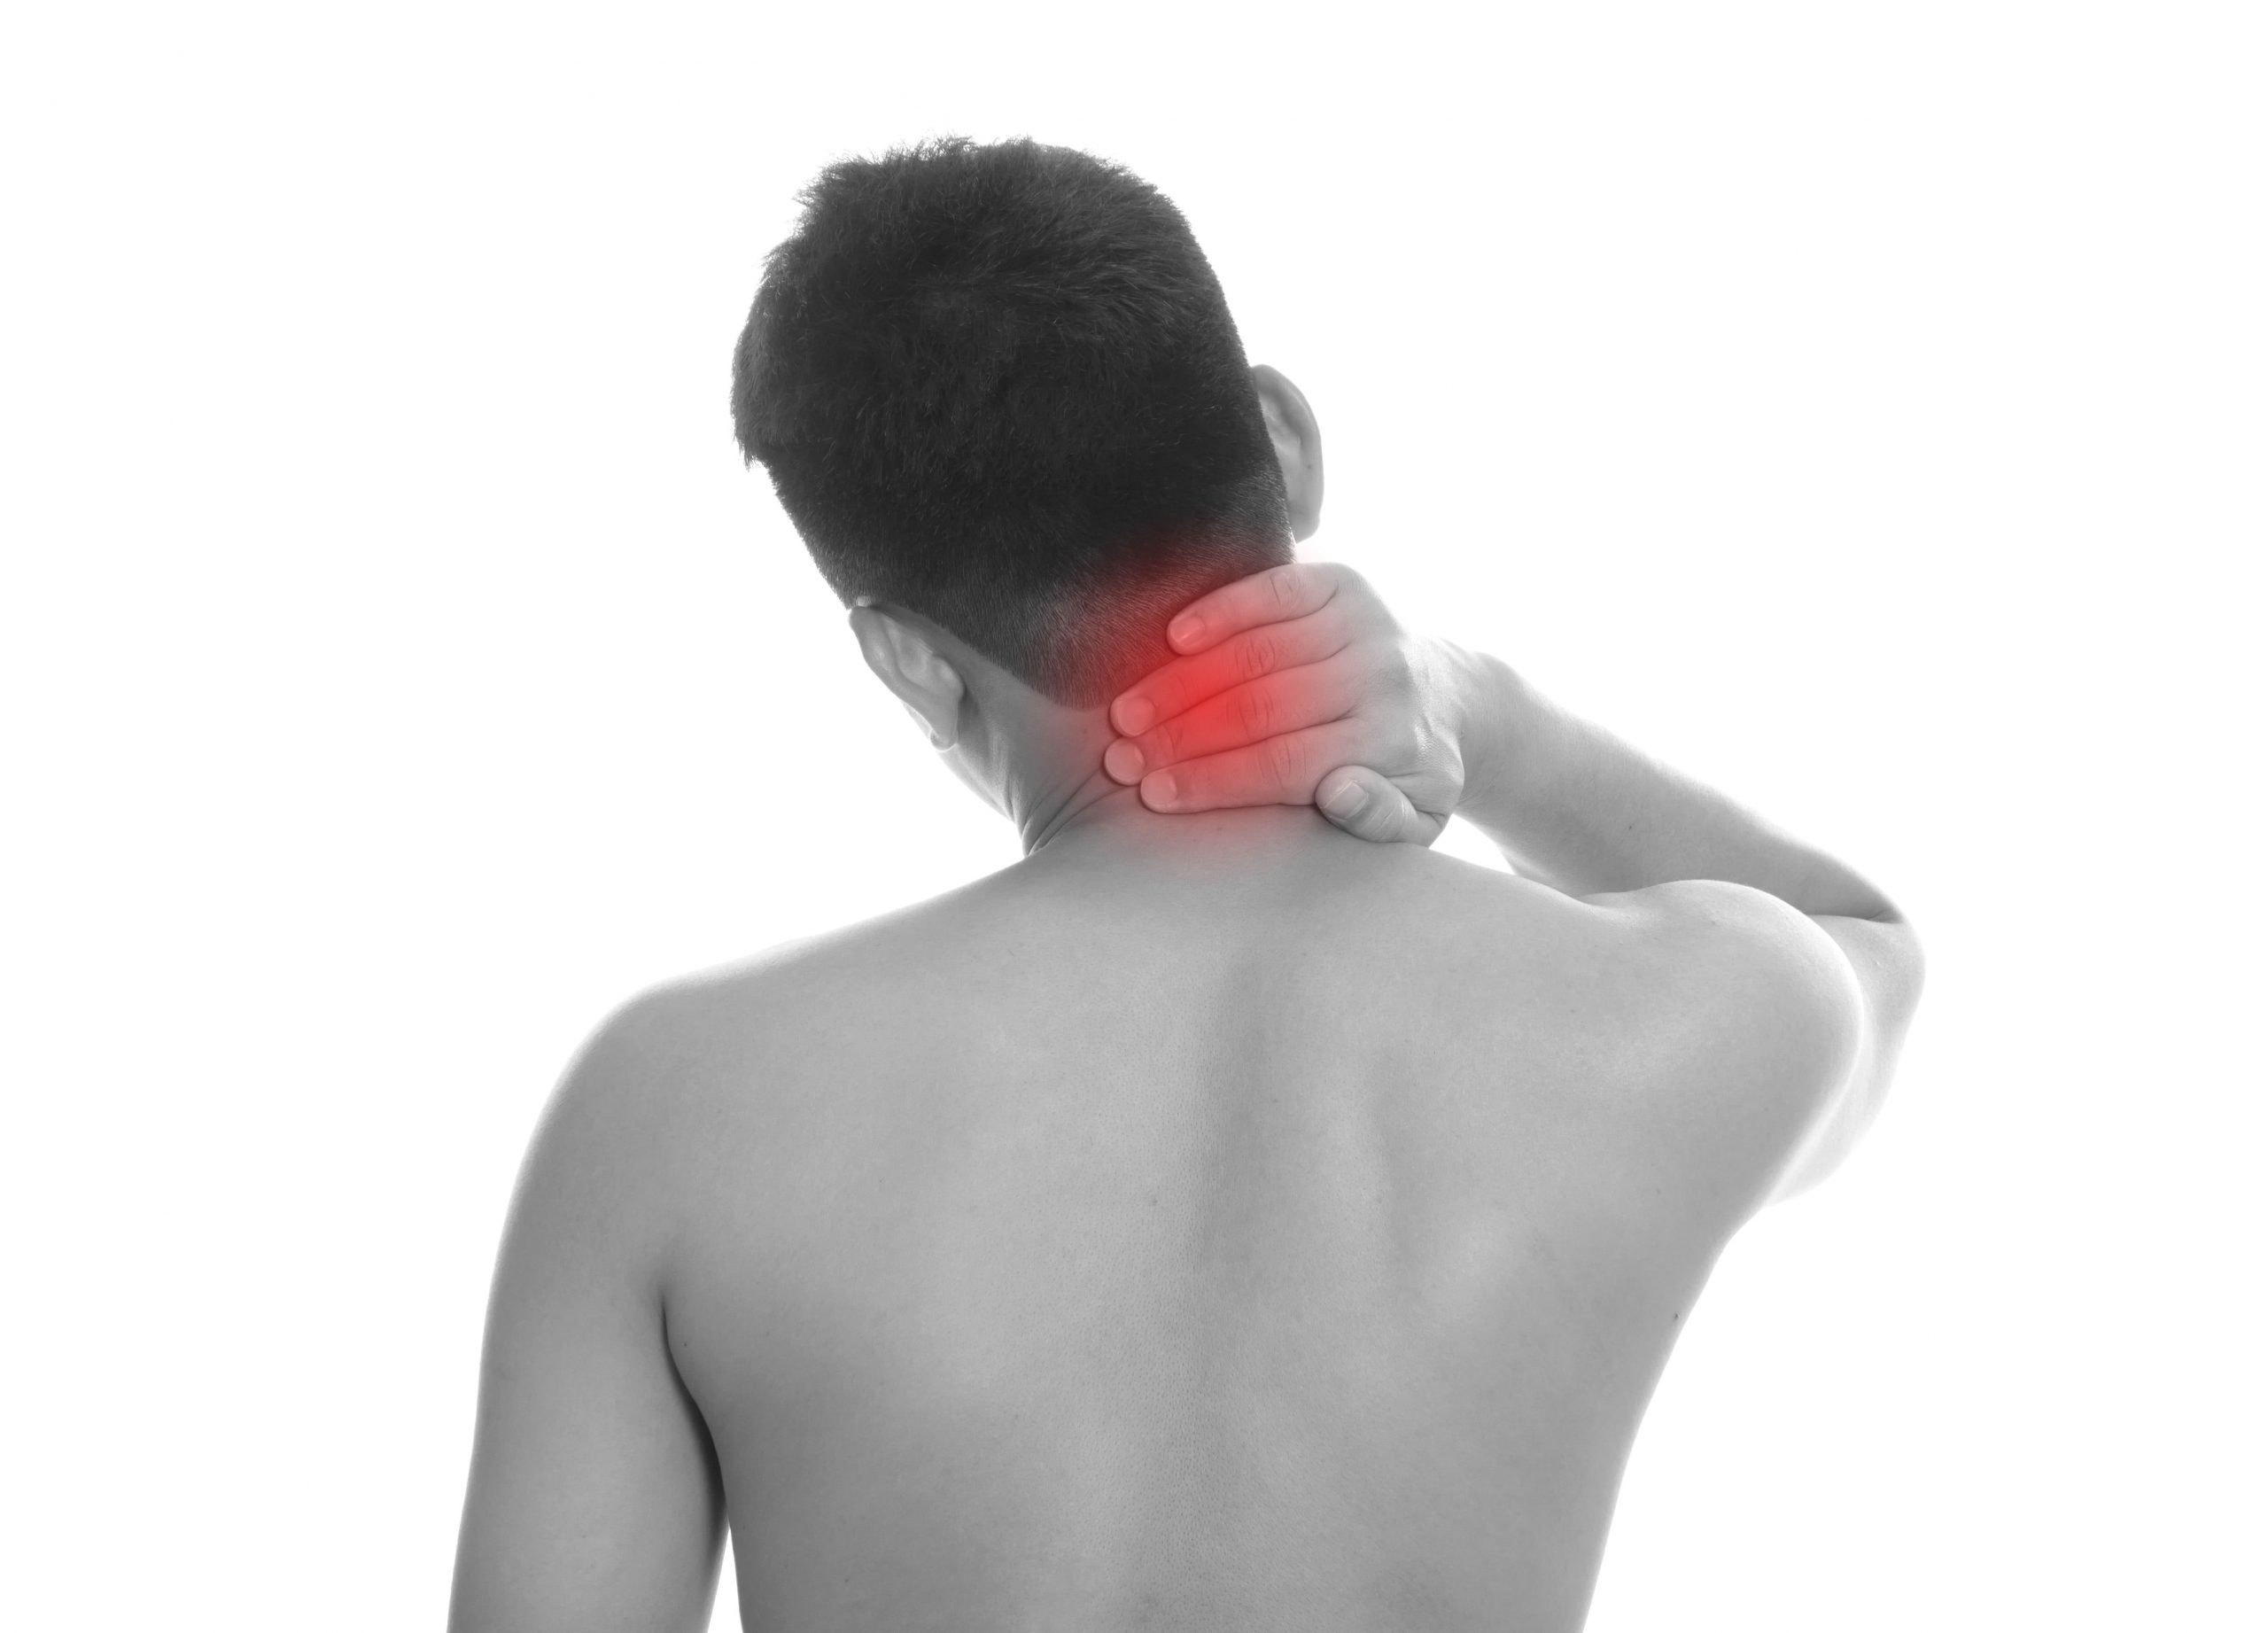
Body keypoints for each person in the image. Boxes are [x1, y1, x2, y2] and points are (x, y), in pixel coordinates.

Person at [448, 137, 1923, 1633]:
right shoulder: (1667, 1014)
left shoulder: (679, 1110)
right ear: (1282, 441)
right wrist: (1486, 715)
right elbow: (1872, 945)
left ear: (903, 650)